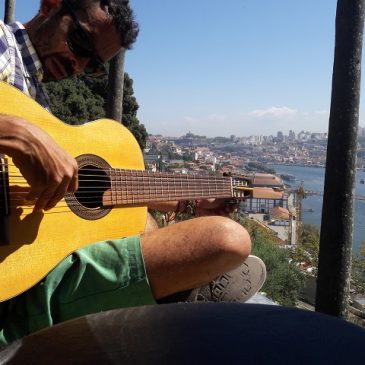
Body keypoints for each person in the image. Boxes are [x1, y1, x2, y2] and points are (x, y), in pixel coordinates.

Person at [0, 0, 266, 347]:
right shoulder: (4, 48)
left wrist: (188, 206)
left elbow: (66, 203)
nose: (79, 65)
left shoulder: (35, 100)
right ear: (50, 5)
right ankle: (169, 298)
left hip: (22, 277)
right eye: (80, 44)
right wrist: (17, 133)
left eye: (94, 65)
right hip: (19, 301)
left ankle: (168, 291)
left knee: (141, 220)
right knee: (227, 239)